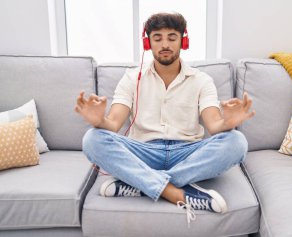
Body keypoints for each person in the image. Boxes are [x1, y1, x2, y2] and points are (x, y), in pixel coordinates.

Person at [75, 12, 255, 220]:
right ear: (148, 43)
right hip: (143, 151)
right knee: (92, 138)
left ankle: (141, 183)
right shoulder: (131, 78)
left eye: (172, 37)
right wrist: (98, 120)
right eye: (157, 38)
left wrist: (228, 123)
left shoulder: (202, 80)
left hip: (186, 152)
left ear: (183, 41)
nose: (165, 44)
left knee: (237, 141)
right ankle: (173, 191)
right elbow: (113, 123)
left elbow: (214, 124)